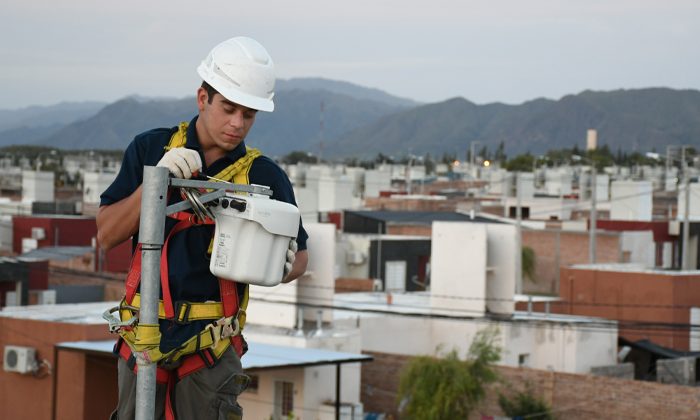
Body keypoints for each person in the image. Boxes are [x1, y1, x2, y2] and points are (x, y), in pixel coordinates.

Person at [97, 36, 309, 420]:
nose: (236, 124)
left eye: (248, 115)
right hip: (143, 332)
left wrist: (282, 264)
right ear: (202, 98)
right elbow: (107, 233)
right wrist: (155, 185)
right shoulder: (151, 149)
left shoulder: (262, 176)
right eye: (228, 108)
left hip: (212, 345)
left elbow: (301, 258)